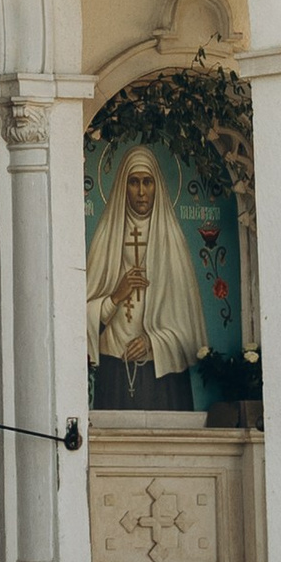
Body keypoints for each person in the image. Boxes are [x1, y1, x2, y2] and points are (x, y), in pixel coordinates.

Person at [85, 145, 209, 414]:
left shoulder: (172, 241)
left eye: (147, 182)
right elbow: (79, 319)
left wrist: (154, 341)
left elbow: (191, 332)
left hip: (162, 376)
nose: (141, 191)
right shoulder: (106, 238)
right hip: (114, 368)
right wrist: (115, 297)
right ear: (122, 186)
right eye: (134, 182)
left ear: (157, 186)